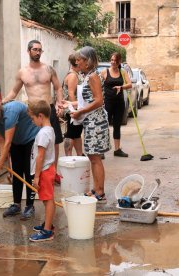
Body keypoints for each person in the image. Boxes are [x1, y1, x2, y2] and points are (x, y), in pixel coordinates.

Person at [2, 39, 64, 184]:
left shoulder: (49, 69)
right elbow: (14, 91)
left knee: (53, 142)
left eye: (40, 50)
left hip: (48, 109)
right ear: (28, 51)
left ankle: (53, 171)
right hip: (33, 112)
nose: (38, 52)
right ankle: (35, 172)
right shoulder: (22, 72)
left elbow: (58, 88)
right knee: (34, 142)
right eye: (35, 49)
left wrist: (60, 103)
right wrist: (4, 101)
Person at [0, 95, 39, 220]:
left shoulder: (10, 112)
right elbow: (1, 141)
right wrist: (2, 160)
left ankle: (29, 206)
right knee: (16, 172)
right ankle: (16, 205)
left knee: (29, 173)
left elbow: (7, 142)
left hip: (31, 139)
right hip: (17, 142)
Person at [70, 46, 111, 202]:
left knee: (95, 158)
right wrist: (71, 103)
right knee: (93, 157)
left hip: (95, 121)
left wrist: (80, 112)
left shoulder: (93, 76)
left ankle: (100, 191)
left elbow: (98, 101)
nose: (77, 61)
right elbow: (87, 100)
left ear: (87, 61)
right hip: (91, 120)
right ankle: (96, 188)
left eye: (79, 59)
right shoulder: (89, 75)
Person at [27, 100, 56, 242]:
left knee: (48, 200)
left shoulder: (43, 133)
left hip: (44, 171)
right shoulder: (49, 130)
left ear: (40, 116)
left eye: (32, 118)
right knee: (48, 200)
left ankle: (47, 231)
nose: (32, 122)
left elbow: (40, 157)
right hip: (47, 169)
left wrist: (37, 177)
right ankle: (48, 224)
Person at [100, 52, 132, 157]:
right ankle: (102, 151)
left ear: (119, 62)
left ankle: (117, 149)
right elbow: (98, 86)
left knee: (117, 126)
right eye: (112, 60)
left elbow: (130, 84)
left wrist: (121, 87)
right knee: (105, 126)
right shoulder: (105, 72)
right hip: (108, 103)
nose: (113, 62)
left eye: (115, 60)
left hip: (119, 103)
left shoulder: (122, 72)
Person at [62, 53, 84, 156]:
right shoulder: (73, 76)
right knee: (71, 134)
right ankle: (68, 156)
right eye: (80, 60)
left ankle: (80, 154)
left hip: (73, 108)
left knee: (77, 134)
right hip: (72, 110)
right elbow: (71, 93)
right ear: (76, 62)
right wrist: (75, 110)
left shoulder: (75, 74)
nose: (82, 62)